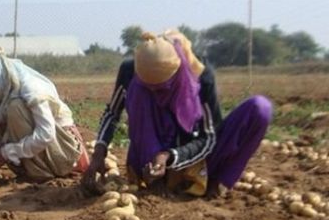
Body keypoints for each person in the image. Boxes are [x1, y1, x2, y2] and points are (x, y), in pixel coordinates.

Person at [81, 30, 273, 197]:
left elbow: (209, 138)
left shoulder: (201, 77)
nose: (156, 93)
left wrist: (170, 156)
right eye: (149, 87)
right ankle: (156, 180)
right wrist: (99, 151)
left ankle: (213, 183)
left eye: (162, 88)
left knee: (259, 108)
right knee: (140, 95)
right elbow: (112, 113)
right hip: (150, 160)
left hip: (195, 156)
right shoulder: (131, 71)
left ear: (177, 74)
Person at [0, 48, 89, 181]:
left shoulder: (31, 88)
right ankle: (28, 168)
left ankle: (41, 172)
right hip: (37, 147)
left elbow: (46, 134)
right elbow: (2, 127)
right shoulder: (3, 89)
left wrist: (6, 153)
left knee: (15, 107)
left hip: (61, 149)